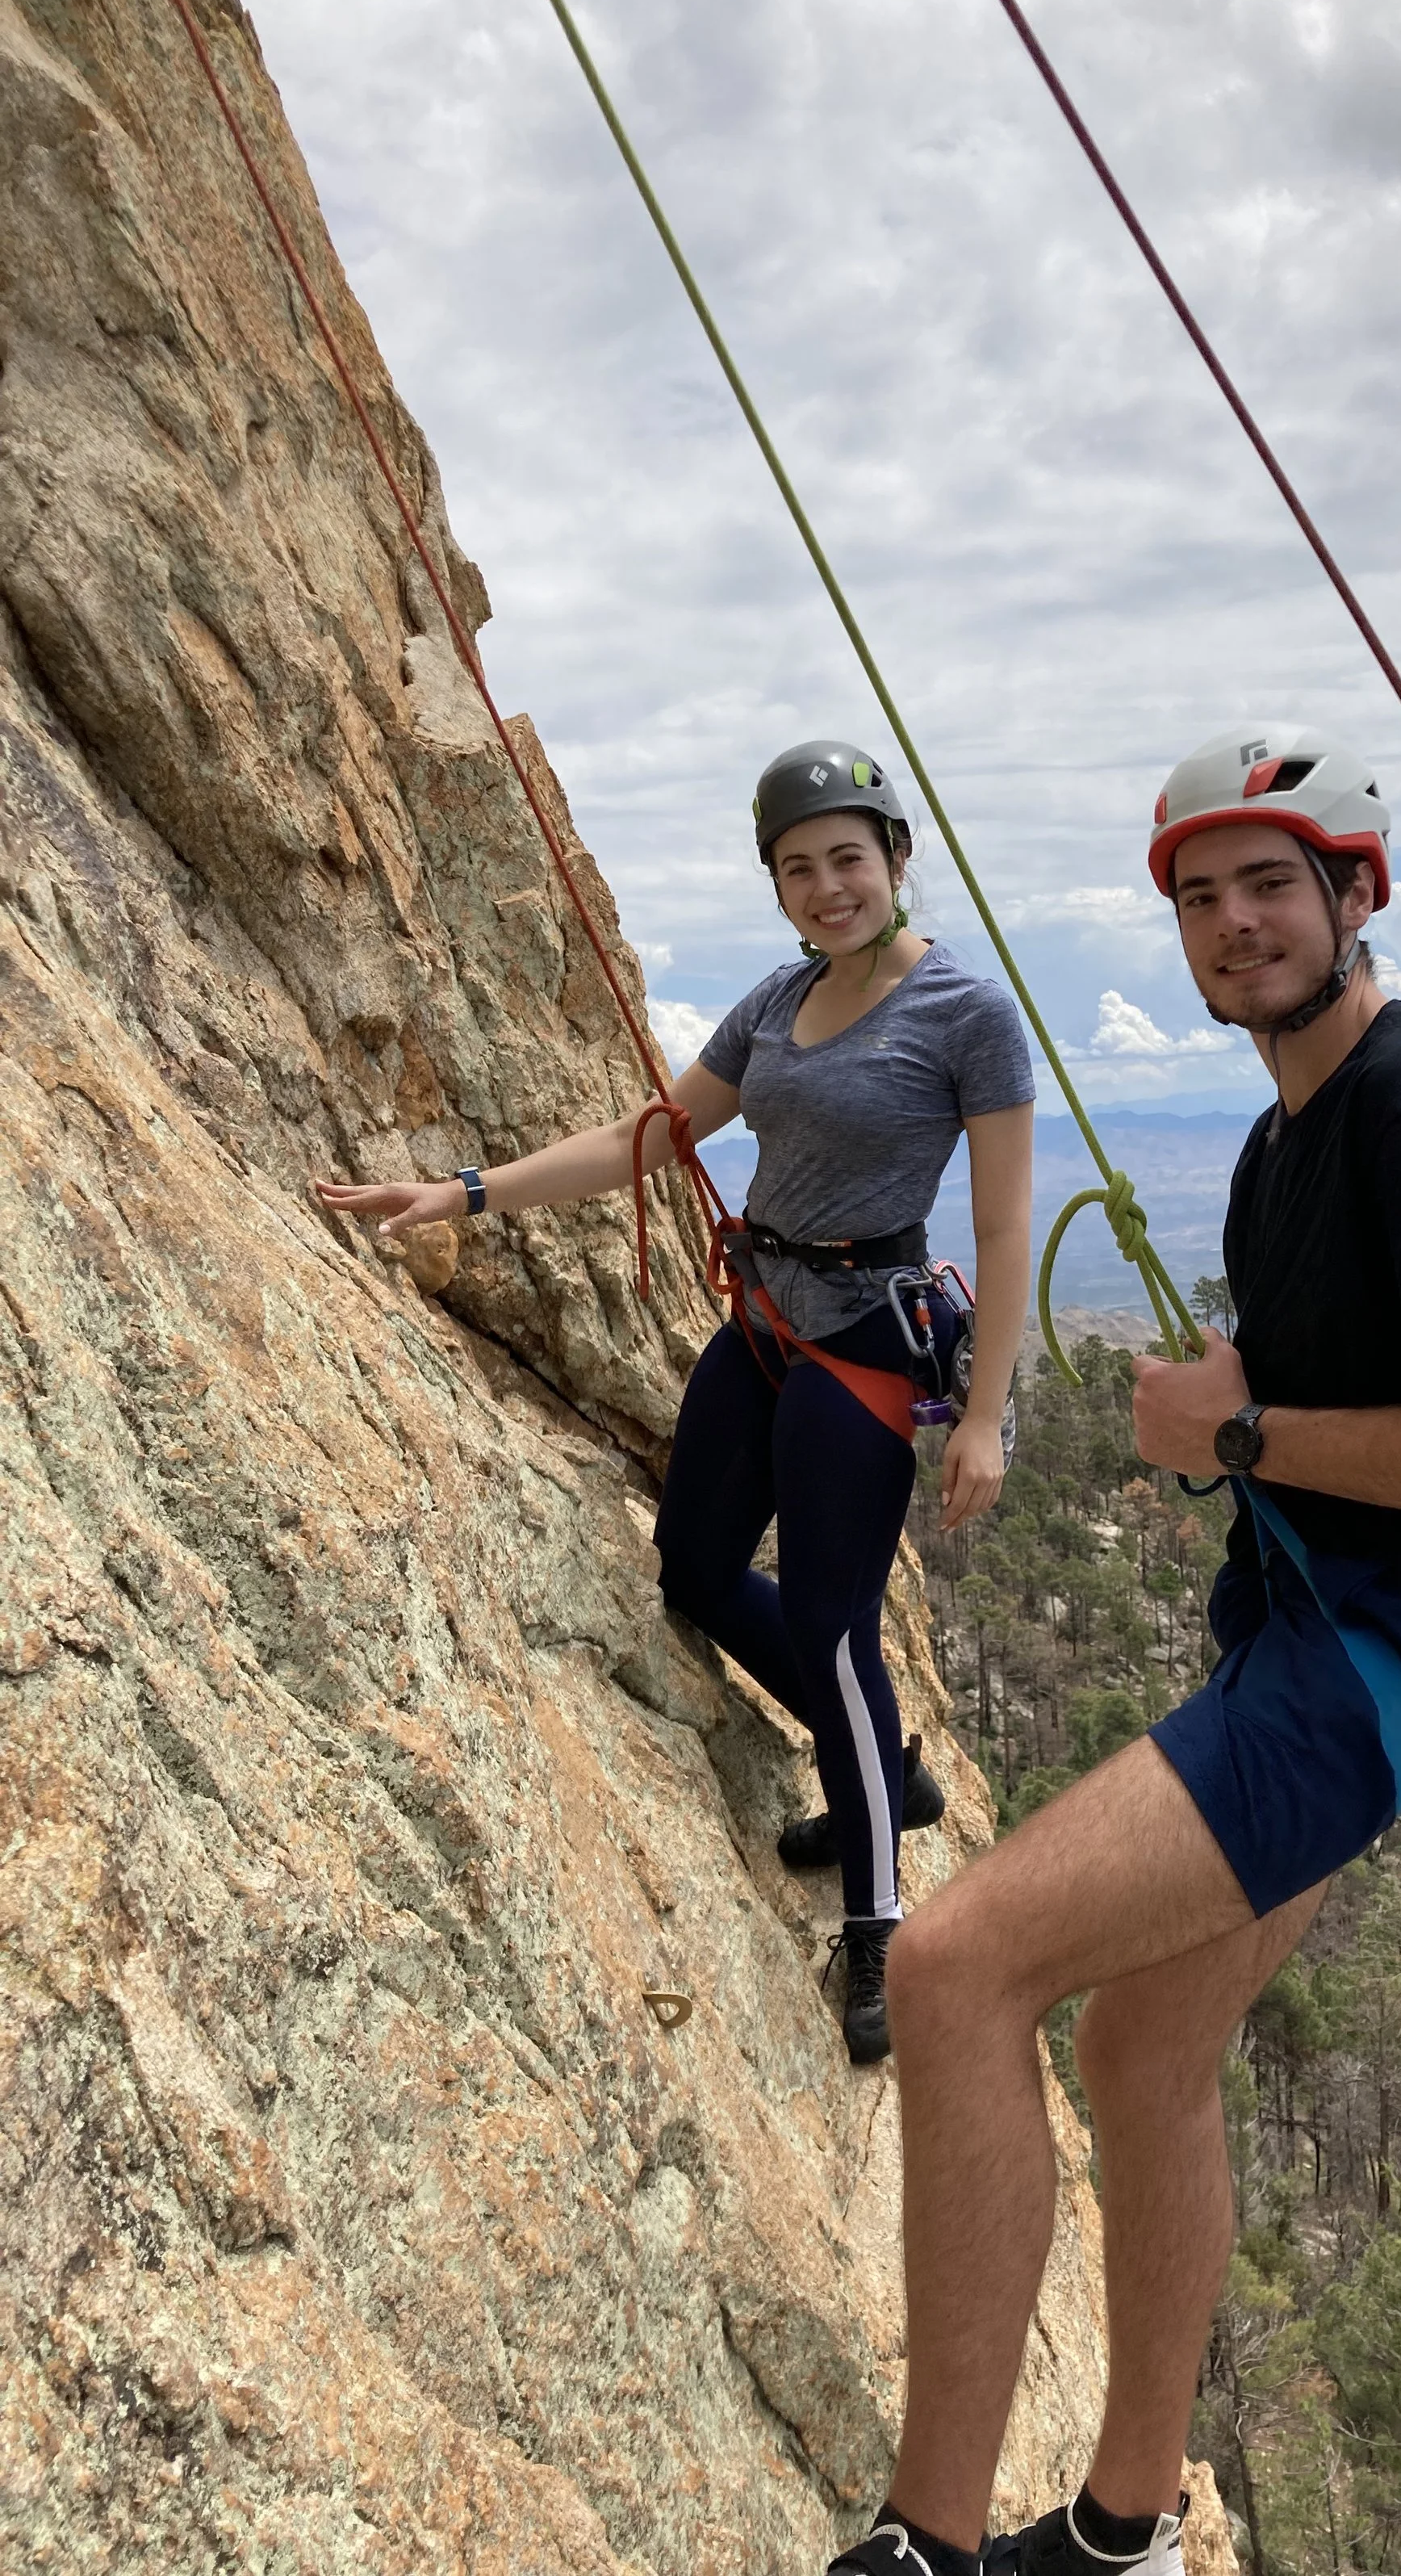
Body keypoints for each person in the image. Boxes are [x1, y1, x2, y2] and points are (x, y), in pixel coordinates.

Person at [829, 727, 1401, 2575]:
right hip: (1342, 1636)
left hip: (1392, 1649)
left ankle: (924, 2546)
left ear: (1356, 894)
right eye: (1197, 895)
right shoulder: (1284, 1147)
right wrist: (1246, 1403)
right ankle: (1128, 2533)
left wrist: (1236, 1435)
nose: (1231, 921)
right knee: (1140, 2054)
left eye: (1270, 883)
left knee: (949, 1974)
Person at [316, 742, 1035, 2065]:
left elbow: (1000, 1223)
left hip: (866, 1349)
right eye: (798, 868)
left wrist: (985, 1415)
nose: (827, 888)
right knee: (694, 1569)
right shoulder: (775, 1001)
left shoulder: (965, 1016)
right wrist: (460, 1192)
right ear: (776, 887)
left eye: (847, 859)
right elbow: (651, 1137)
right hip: (760, 1324)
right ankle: (881, 1761)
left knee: (831, 1631)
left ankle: (877, 1916)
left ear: (894, 857)